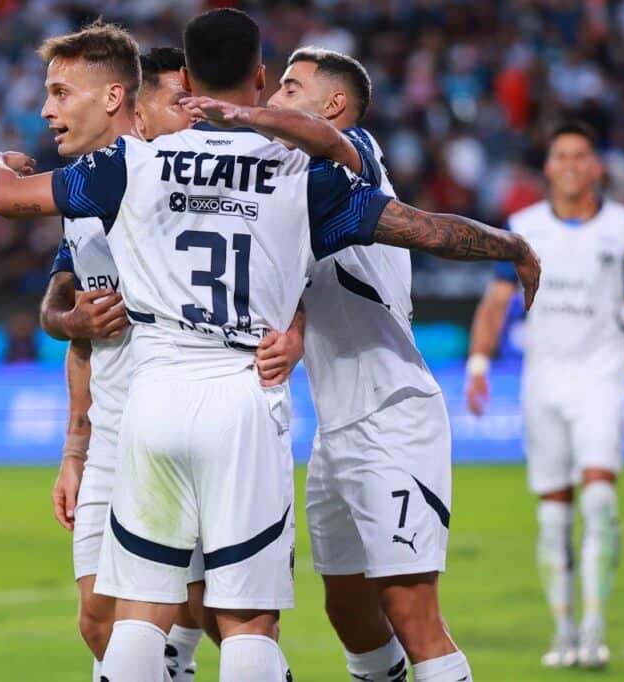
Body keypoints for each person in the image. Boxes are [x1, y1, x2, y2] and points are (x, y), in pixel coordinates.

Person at [0, 9, 539, 680]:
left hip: (153, 399)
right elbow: (421, 228)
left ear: (183, 76)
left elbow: (8, 197)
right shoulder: (304, 174)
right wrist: (508, 245)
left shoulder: (128, 162)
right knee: (247, 621)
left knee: (139, 611)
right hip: (245, 395)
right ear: (260, 75)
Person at [183, 45, 473, 681]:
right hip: (335, 430)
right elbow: (303, 277)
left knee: (410, 610)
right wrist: (294, 327)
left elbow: (320, 152)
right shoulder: (292, 191)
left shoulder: (355, 153)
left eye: (291, 86)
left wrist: (241, 114)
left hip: (393, 415)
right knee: (347, 609)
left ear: (334, 104)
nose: (276, 96)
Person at [33, 34, 211, 681]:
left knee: (218, 614)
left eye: (59, 94)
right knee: (100, 619)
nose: (47, 111)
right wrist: (73, 450)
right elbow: (66, 316)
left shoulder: (177, 192)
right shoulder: (84, 195)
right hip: (109, 434)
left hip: (180, 421)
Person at [466, 121, 624, 669]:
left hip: (602, 378)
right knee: (554, 517)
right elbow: (494, 301)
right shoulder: (524, 227)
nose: (573, 165)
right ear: (549, 167)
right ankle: (564, 632)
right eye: (562, 156)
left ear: (596, 167)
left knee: (599, 504)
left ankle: (596, 630)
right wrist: (479, 364)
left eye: (582, 155)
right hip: (542, 381)